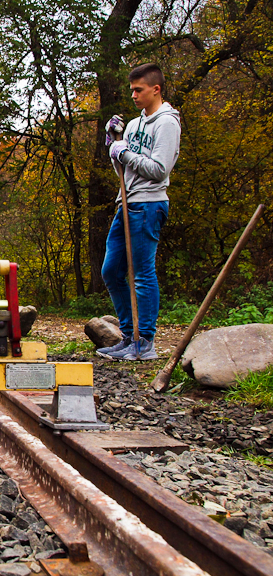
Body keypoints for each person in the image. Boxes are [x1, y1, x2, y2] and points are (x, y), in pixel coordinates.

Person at [99, 63, 181, 361]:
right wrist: (114, 146)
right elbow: (124, 170)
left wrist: (125, 152)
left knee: (143, 273)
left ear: (155, 89)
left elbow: (159, 171)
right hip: (126, 201)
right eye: (131, 90)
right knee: (111, 270)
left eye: (139, 90)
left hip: (149, 204)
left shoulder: (167, 123)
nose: (133, 95)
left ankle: (144, 341)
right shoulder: (133, 125)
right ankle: (128, 335)